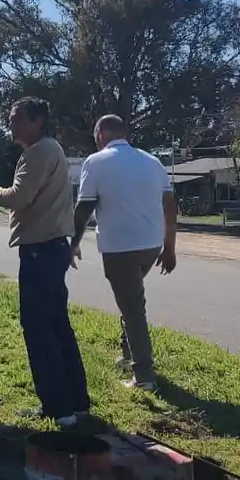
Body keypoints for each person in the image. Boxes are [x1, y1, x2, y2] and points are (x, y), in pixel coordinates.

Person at [0, 97, 88, 426]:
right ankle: (76, 403)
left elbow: (18, 198)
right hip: (52, 247)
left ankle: (58, 409)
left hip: (40, 251)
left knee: (39, 330)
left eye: (18, 119)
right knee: (57, 326)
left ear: (39, 120)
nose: (11, 124)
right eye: (10, 118)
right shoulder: (51, 149)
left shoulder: (38, 152)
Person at [71, 115, 177, 392]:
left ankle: (144, 377)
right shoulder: (152, 162)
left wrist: (73, 243)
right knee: (129, 299)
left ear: (101, 134)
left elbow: (84, 208)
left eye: (96, 135)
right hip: (151, 246)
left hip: (120, 247)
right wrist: (170, 248)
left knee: (132, 308)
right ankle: (127, 354)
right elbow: (170, 207)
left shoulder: (95, 162)